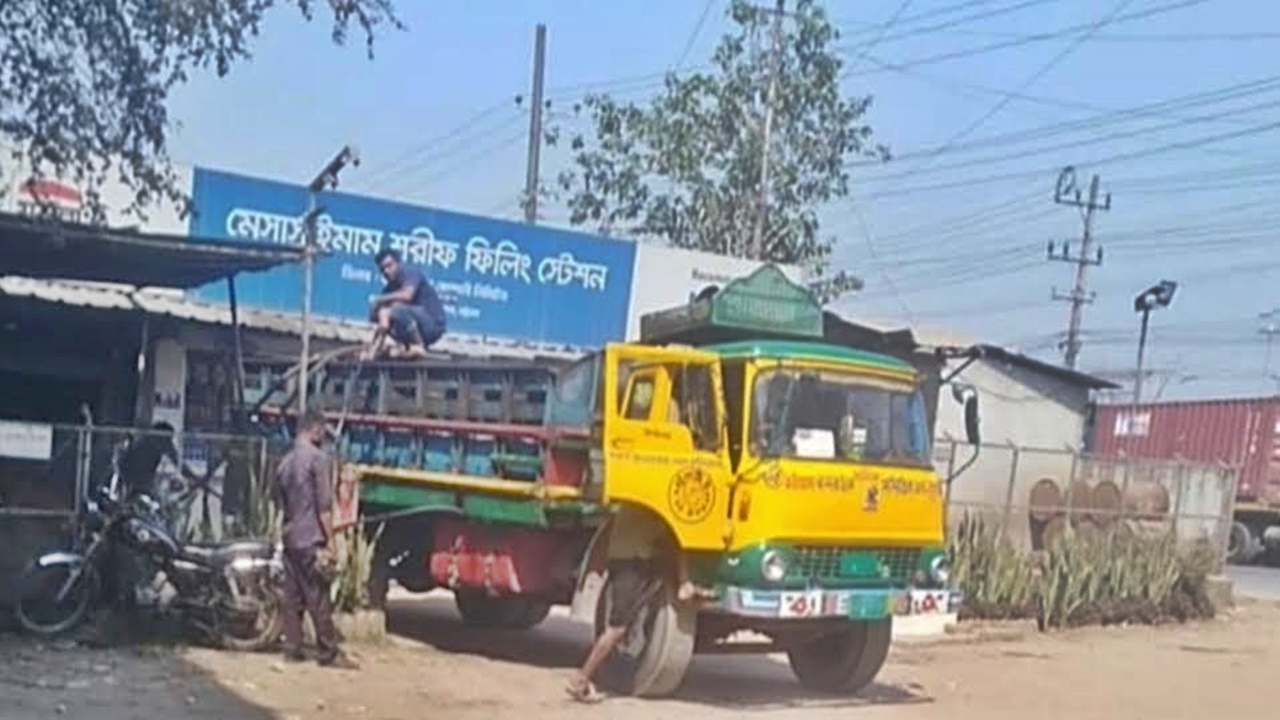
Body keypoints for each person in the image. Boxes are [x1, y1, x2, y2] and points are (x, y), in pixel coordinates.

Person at [565, 506, 710, 703]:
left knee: (618, 628)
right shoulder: (653, 510)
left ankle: (685, 585)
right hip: (634, 566)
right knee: (616, 629)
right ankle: (581, 679)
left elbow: (607, 534)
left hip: (621, 563)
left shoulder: (626, 506)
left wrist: (595, 567)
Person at [273, 409, 357, 669]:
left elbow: (278, 501)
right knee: (318, 596)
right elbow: (324, 507)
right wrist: (331, 542)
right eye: (323, 432)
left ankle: (292, 648)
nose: (324, 437)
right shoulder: (318, 460)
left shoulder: (285, 462)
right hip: (311, 537)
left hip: (290, 537)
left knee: (292, 597)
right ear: (316, 430)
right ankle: (328, 652)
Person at [364, 248, 447, 360]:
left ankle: (418, 346)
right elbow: (383, 326)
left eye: (389, 266)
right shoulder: (388, 290)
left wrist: (379, 299)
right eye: (382, 269)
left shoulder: (410, 273)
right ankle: (408, 346)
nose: (386, 271)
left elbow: (407, 296)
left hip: (432, 325)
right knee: (381, 312)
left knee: (396, 309)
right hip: (416, 328)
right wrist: (373, 349)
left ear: (398, 263)